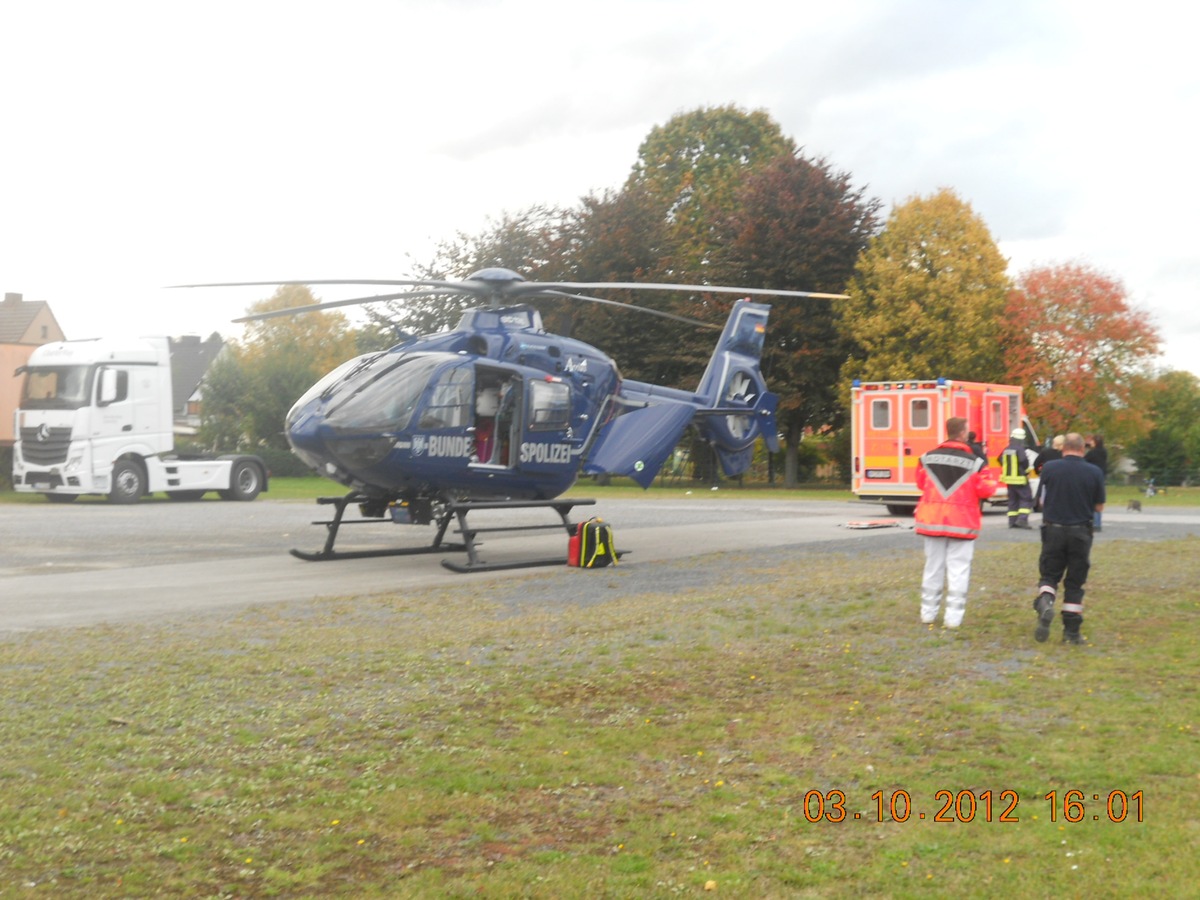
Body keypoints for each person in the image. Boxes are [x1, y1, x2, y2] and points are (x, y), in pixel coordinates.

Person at [914, 417, 998, 628]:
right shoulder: (976, 463)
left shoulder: (926, 458)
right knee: (958, 570)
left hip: (932, 521)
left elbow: (921, 483)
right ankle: (953, 618)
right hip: (961, 523)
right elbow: (987, 489)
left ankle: (928, 613)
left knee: (933, 567)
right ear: (963, 433)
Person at [1033, 432, 1106, 644]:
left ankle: (1046, 601)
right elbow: (1099, 506)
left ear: (1063, 449)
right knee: (1075, 581)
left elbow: (1041, 501)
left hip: (1053, 529)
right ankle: (1071, 633)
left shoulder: (1050, 468)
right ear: (1082, 449)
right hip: (1080, 532)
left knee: (1049, 574)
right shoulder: (1094, 472)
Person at [998, 427, 1034, 529]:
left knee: (1013, 500)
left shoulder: (1007, 449)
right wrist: (1024, 469)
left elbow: (999, 459)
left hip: (1009, 480)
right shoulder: (1020, 449)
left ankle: (1012, 521)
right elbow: (1023, 460)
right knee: (1026, 498)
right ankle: (1022, 520)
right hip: (1020, 479)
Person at [1032, 435, 1065, 511]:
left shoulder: (1045, 452)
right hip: (1061, 478)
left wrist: (1038, 472)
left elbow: (1035, 463)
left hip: (1047, 477)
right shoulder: (1063, 453)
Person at [1084, 434, 1109, 531]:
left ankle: (1093, 522)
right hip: (1101, 476)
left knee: (1091, 500)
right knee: (1099, 499)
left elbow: (1084, 460)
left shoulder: (1092, 453)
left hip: (1092, 477)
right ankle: (1098, 523)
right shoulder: (1104, 452)